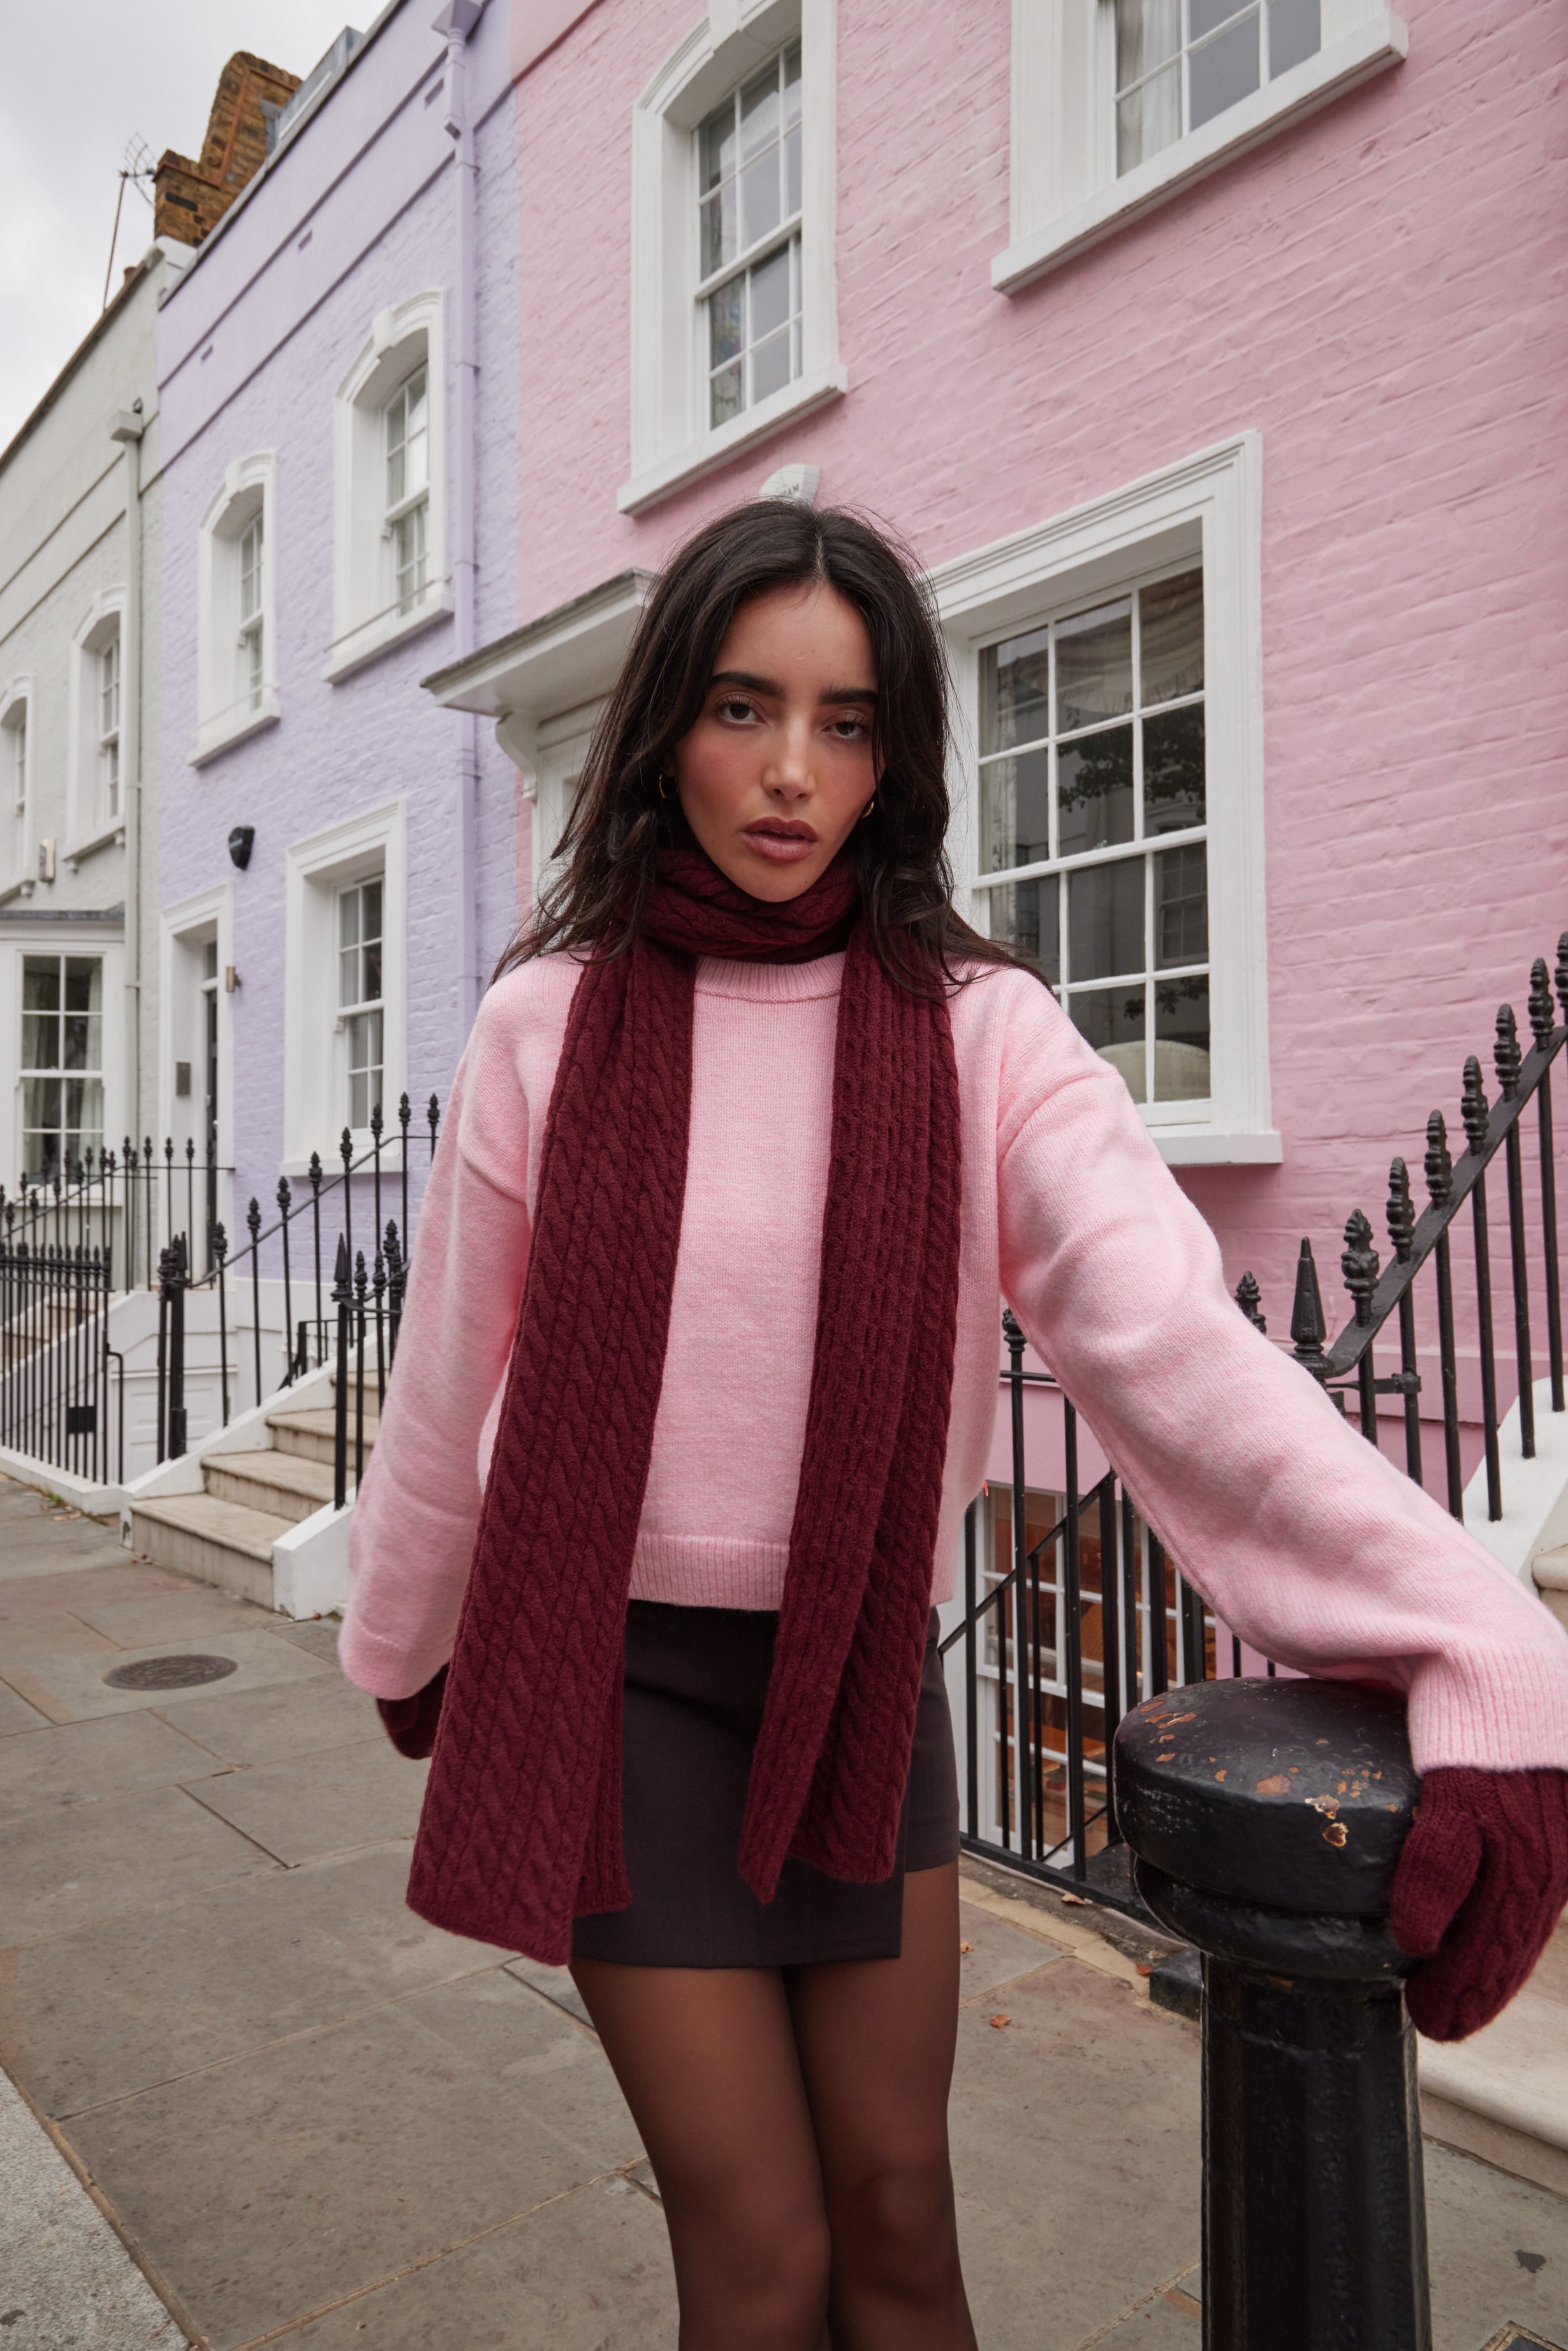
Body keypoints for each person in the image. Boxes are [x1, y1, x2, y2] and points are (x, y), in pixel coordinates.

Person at [341, 501, 1568, 2351]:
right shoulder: (545, 1019)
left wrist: (1475, 1633)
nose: (787, 771)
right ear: (665, 724)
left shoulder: (977, 1028)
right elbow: (456, 1365)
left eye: (844, 725)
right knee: (757, 2261)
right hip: (612, 1683)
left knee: (902, 2221)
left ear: (896, 760)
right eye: (744, 707)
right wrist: (409, 1630)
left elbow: (1166, 1339)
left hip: (858, 1682)